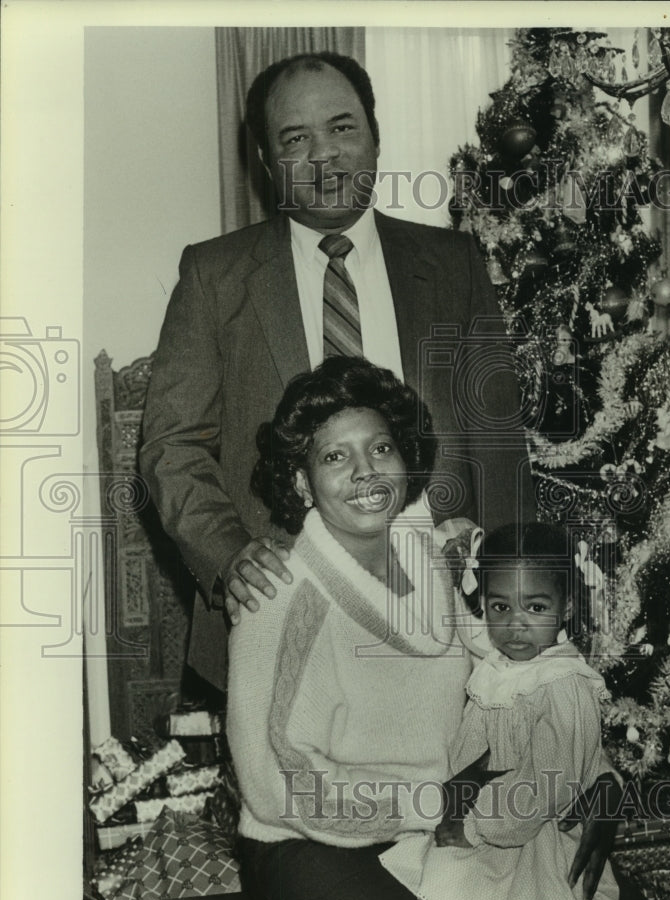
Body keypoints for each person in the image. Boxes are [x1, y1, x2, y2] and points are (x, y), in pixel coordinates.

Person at [139, 50, 532, 697]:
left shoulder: (453, 263)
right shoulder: (214, 276)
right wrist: (231, 553)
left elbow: (497, 441)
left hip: (443, 608)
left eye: (342, 127)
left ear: (374, 136)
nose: (324, 155)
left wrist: (507, 585)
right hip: (282, 607)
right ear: (266, 163)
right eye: (295, 138)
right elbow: (170, 445)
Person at [228, 356, 489, 900]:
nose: (366, 472)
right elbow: (277, 784)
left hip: (430, 828)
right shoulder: (278, 594)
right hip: (306, 849)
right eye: (335, 457)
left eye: (381, 449)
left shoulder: (437, 562)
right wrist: (432, 805)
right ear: (301, 484)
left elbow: (503, 679)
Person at [379, 521, 620, 900]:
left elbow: (544, 789)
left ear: (566, 607)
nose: (515, 624)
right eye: (499, 606)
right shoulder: (499, 670)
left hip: (536, 835)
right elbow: (472, 754)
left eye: (536, 606)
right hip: (494, 820)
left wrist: (471, 828)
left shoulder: (562, 685)